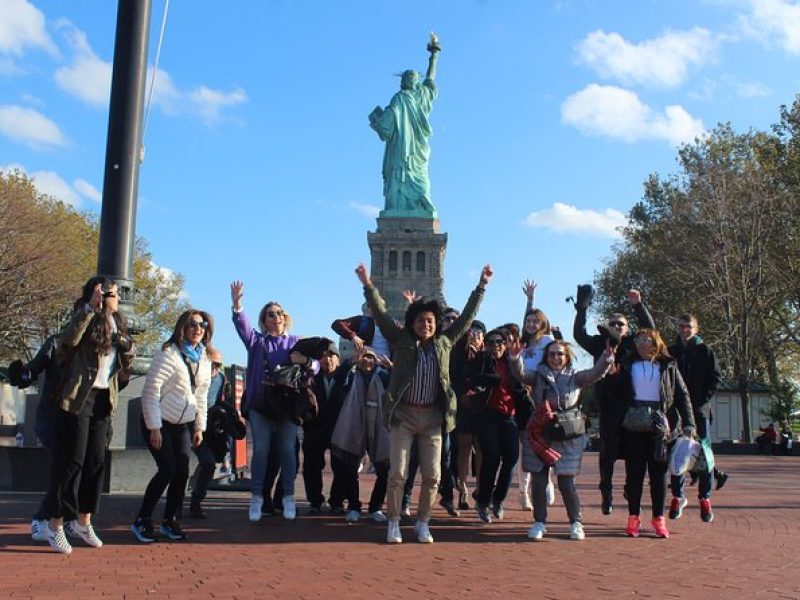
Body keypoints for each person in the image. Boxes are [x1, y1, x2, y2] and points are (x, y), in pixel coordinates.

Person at [354, 261, 492, 544]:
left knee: (433, 475)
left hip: (432, 417)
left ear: (436, 323)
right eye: (420, 320)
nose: (425, 325)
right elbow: (380, 313)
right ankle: (393, 521)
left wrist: (481, 286)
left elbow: (466, 317)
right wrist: (367, 284)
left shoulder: (445, 342)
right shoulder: (400, 339)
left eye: (430, 321)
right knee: (399, 472)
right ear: (412, 323)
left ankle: (423, 522)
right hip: (404, 415)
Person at [44, 276, 135, 554]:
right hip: (77, 398)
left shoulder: (118, 322)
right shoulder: (83, 316)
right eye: (111, 293)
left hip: (103, 400)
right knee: (71, 462)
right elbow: (67, 343)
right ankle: (55, 524)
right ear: (96, 293)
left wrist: (128, 346)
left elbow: (125, 360)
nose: (115, 298)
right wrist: (89, 309)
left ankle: (83, 521)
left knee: (96, 462)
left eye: (116, 294)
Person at [230, 281, 317, 522]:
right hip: (262, 404)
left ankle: (288, 497)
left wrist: (307, 362)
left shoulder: (296, 341)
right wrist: (237, 305)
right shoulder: (258, 342)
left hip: (288, 406)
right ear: (264, 320)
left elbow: (318, 366)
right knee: (261, 451)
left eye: (279, 313)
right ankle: (257, 498)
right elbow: (242, 327)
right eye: (271, 314)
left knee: (288, 451)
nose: (276, 317)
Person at [131, 310, 214, 543]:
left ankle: (169, 521)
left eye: (203, 325)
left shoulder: (204, 359)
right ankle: (142, 520)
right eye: (193, 324)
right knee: (167, 469)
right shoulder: (168, 354)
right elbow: (150, 391)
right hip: (158, 421)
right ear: (182, 327)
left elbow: (201, 396)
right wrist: (154, 427)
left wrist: (199, 427)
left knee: (182, 472)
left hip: (183, 424)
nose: (198, 329)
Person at [573, 286, 655, 515]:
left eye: (621, 324)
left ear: (627, 329)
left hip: (631, 407)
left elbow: (650, 329)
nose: (617, 326)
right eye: (613, 323)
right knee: (607, 454)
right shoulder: (600, 343)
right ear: (607, 326)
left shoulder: (632, 345)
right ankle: (606, 494)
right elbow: (579, 334)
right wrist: (582, 309)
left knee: (632, 453)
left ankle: (630, 489)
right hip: (608, 407)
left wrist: (638, 305)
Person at [521, 339, 614, 541]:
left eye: (560, 354)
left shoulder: (575, 377)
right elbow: (520, 373)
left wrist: (606, 359)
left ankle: (576, 522)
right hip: (540, 431)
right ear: (546, 357)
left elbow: (595, 373)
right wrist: (513, 357)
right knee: (538, 480)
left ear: (567, 357)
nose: (556, 358)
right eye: (552, 354)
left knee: (566, 482)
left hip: (567, 433)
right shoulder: (537, 376)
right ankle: (539, 522)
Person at [618, 328, 695, 539]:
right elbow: (614, 394)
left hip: (661, 426)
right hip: (634, 423)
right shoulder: (625, 365)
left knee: (658, 475)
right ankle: (633, 517)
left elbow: (682, 394)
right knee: (634, 474)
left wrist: (689, 423)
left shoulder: (668, 365)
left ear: (656, 343)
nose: (643, 344)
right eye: (639, 340)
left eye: (647, 341)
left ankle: (658, 519)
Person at [368, 36, 441, 217]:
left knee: (421, 181)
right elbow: (386, 128)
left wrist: (434, 55)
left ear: (417, 82)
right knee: (398, 175)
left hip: (416, 149)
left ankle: (421, 205)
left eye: (414, 77)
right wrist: (378, 122)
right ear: (403, 81)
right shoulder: (398, 99)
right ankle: (395, 207)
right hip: (400, 148)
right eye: (409, 77)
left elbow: (431, 78)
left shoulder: (421, 96)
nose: (412, 79)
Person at [466, 329, 528, 524]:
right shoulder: (481, 360)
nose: (496, 346)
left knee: (511, 458)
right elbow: (471, 379)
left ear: (506, 343)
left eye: (500, 342)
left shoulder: (512, 362)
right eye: (491, 342)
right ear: (485, 344)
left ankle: (498, 500)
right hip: (486, 414)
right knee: (491, 458)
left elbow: (523, 380)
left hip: (509, 416)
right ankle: (483, 501)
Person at [667, 314, 722, 523]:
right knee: (678, 455)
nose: (684, 330)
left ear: (696, 328)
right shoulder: (672, 352)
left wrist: (701, 400)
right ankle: (678, 496)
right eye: (681, 326)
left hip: (699, 411)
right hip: (678, 414)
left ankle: (705, 498)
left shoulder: (704, 351)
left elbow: (716, 378)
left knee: (704, 455)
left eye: (688, 327)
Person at [7, 334, 62, 542]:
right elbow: (34, 367)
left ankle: (68, 519)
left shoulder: (99, 341)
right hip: (52, 417)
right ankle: (42, 518)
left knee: (73, 471)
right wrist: (23, 374)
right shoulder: (56, 342)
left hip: (80, 418)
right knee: (61, 471)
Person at [331, 347, 391, 522]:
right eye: (365, 357)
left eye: (371, 358)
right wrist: (350, 361)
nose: (368, 361)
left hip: (379, 425)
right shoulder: (351, 375)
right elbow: (339, 378)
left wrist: (392, 367)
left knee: (385, 468)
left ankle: (375, 508)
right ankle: (353, 506)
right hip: (354, 423)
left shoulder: (382, 376)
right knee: (349, 468)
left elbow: (398, 384)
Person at [305, 341, 348, 514]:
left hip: (340, 429)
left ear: (338, 359)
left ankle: (337, 501)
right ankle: (315, 502)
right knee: (311, 465)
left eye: (331, 355)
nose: (327, 359)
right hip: (315, 428)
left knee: (342, 466)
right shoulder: (311, 379)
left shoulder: (346, 377)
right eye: (323, 356)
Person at [188, 348, 229, 519]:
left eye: (218, 365)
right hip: (187, 425)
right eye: (212, 364)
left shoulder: (220, 378)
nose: (215, 368)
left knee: (209, 463)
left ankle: (196, 501)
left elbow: (221, 400)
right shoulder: (192, 377)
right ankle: (177, 504)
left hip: (208, 430)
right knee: (190, 464)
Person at [452, 320, 485, 510]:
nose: (475, 336)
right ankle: (463, 488)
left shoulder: (486, 355)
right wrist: (462, 395)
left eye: (479, 333)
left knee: (480, 449)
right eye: (472, 332)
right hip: (463, 406)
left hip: (481, 408)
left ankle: (480, 489)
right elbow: (454, 377)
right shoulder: (460, 354)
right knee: (464, 448)